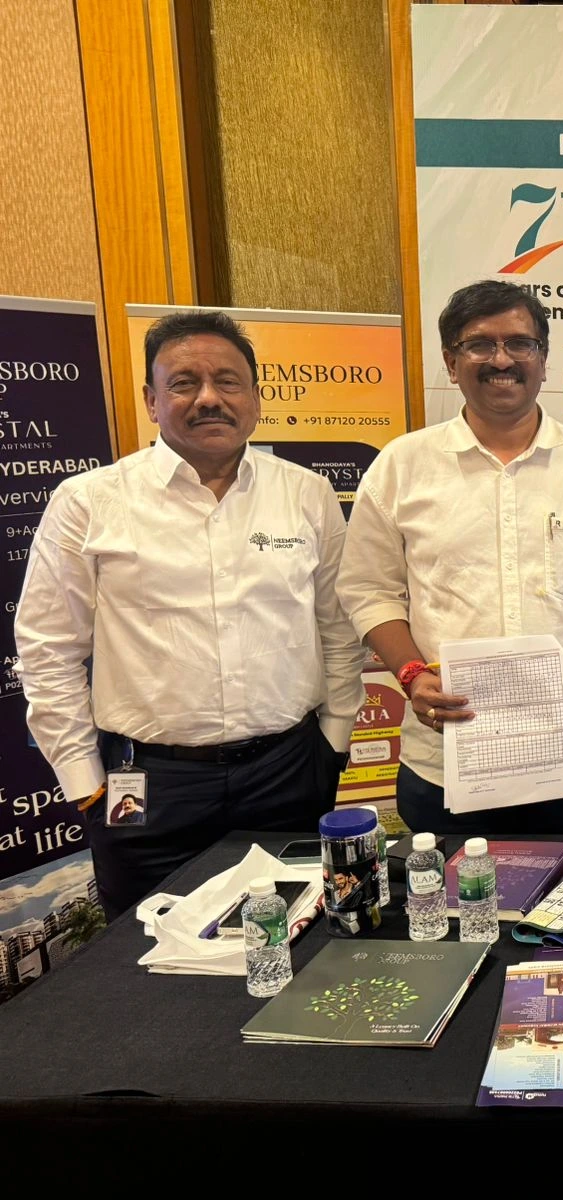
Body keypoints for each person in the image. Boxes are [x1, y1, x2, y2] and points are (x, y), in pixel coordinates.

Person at [14, 310, 365, 917]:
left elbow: (338, 627)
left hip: (287, 775)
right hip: (148, 787)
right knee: (146, 956)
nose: (208, 398)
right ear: (152, 400)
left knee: (294, 940)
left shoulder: (306, 493)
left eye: (228, 381)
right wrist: (83, 780)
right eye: (183, 383)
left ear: (255, 398)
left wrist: (332, 742)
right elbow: (48, 649)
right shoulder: (88, 502)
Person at [338, 280, 563, 836]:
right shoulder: (402, 466)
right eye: (480, 344)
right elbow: (369, 592)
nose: (502, 360)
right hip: (446, 761)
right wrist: (410, 674)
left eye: (520, 343)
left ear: (543, 359)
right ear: (451, 362)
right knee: (451, 895)